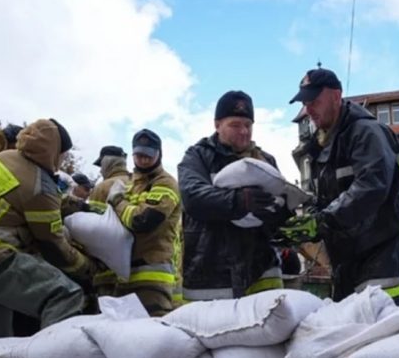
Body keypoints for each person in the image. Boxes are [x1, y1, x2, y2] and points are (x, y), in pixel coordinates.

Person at [0, 119, 97, 337]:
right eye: (64, 155)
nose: (63, 160)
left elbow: (21, 198)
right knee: (65, 294)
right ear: (55, 152)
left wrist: (80, 206)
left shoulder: (4, 159)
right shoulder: (41, 184)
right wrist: (86, 268)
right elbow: (53, 243)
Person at [284, 67, 399, 304]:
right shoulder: (319, 147)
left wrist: (322, 221)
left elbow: (372, 187)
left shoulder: (366, 133)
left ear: (336, 96)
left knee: (382, 338)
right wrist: (311, 219)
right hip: (347, 265)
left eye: (314, 100)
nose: (309, 109)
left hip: (382, 265)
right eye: (305, 103)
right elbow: (321, 199)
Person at [178, 90, 287, 300]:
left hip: (263, 270)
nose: (244, 132)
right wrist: (240, 201)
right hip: (210, 274)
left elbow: (280, 206)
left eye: (248, 125)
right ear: (217, 125)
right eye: (235, 125)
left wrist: (284, 212)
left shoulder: (266, 161)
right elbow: (193, 197)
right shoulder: (197, 157)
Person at [106, 129, 181, 316]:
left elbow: (142, 220)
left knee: (155, 332)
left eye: (148, 155)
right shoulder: (131, 185)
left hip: (153, 274)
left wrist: (117, 202)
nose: (143, 160)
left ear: (159, 154)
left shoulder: (165, 183)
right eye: (139, 155)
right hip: (125, 273)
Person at [86, 145, 131, 297]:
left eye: (101, 165)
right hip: (136, 268)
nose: (100, 170)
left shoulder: (102, 188)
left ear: (107, 163)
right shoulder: (138, 183)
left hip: (106, 272)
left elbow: (90, 227)